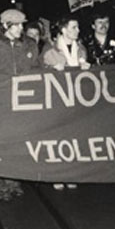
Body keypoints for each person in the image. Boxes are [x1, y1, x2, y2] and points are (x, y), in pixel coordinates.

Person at [0, 9, 38, 201]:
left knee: (19, 144)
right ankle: (3, 186)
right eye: (17, 25)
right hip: (3, 102)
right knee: (3, 145)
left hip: (24, 101)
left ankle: (16, 182)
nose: (22, 28)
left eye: (22, 24)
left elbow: (38, 69)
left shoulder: (30, 44)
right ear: (6, 26)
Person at [42, 15, 89, 190]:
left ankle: (71, 174)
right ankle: (57, 174)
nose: (77, 31)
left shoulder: (81, 49)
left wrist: (87, 68)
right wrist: (51, 69)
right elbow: (38, 71)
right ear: (63, 30)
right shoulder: (50, 49)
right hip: (56, 100)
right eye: (74, 27)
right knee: (58, 137)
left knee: (73, 136)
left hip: (74, 99)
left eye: (77, 27)